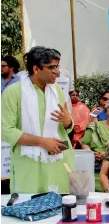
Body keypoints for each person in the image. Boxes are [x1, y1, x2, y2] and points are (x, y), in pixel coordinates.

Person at [1, 46, 74, 193]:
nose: (57, 72)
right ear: (36, 69)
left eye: (57, 66)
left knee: (61, 207)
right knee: (30, 207)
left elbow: (67, 126)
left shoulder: (57, 90)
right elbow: (6, 131)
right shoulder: (13, 92)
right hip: (30, 163)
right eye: (52, 67)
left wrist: (68, 121)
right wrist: (42, 142)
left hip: (59, 159)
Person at [82, 97, 109, 191]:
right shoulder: (95, 126)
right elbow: (85, 143)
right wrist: (90, 154)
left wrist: (107, 155)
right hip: (93, 169)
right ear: (106, 111)